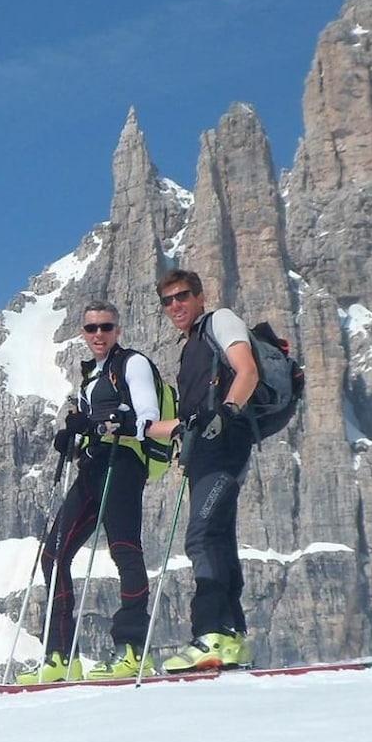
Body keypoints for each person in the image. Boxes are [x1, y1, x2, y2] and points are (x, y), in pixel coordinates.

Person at [22, 301, 176, 683]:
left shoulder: (132, 364)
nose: (99, 335)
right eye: (91, 328)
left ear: (117, 330)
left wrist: (99, 422)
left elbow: (147, 419)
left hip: (122, 465)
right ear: (82, 332)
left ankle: (132, 650)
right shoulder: (92, 376)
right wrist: (72, 438)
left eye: (106, 327)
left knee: (125, 551)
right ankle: (60, 657)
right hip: (92, 467)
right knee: (54, 555)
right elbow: (95, 425)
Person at [145, 269, 260, 671]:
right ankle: (231, 638)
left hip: (225, 445)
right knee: (219, 539)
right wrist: (136, 428)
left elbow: (247, 370)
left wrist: (226, 413)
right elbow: (186, 421)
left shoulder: (220, 321)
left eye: (183, 296)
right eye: (167, 300)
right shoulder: (190, 345)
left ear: (199, 295)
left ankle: (209, 634)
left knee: (201, 537)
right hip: (205, 452)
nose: (175, 305)